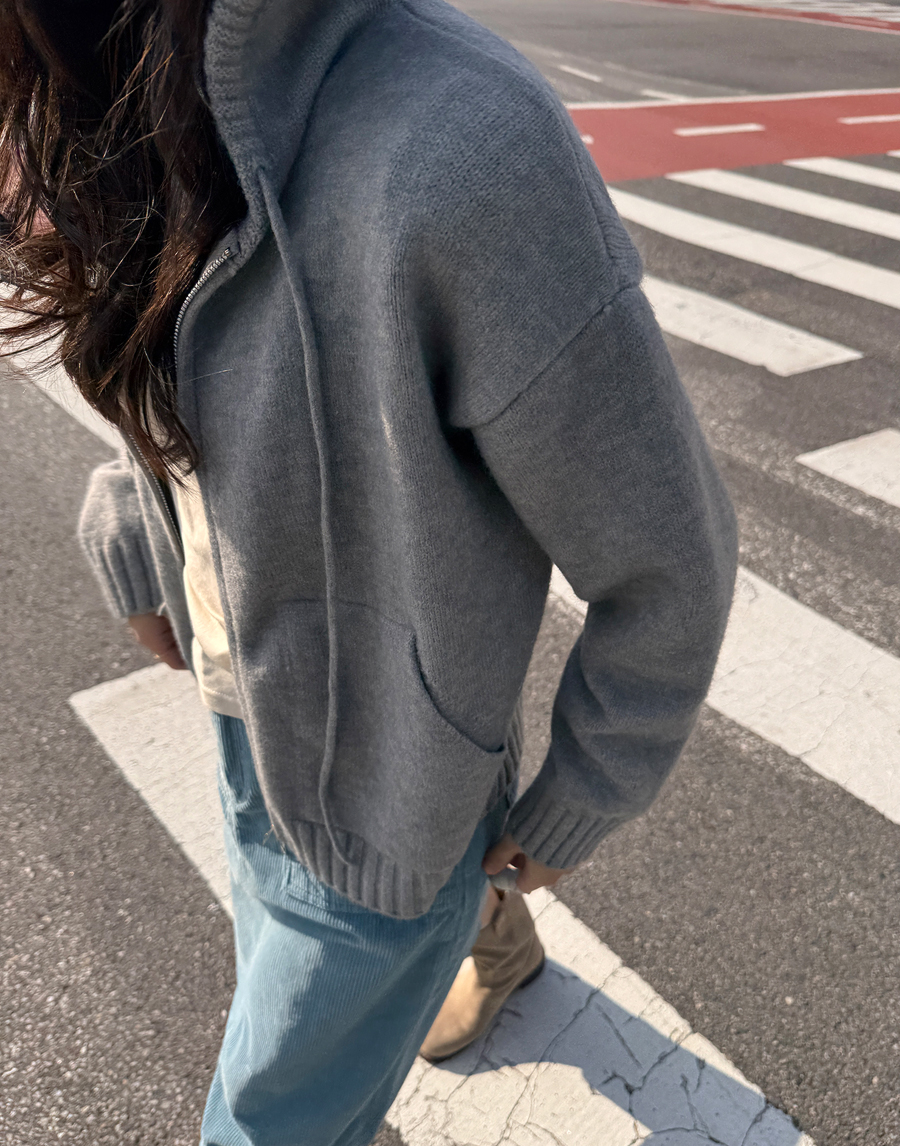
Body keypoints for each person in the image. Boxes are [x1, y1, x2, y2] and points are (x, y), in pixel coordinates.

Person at [0, 0, 738, 1142]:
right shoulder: (106, 74)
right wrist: (136, 527)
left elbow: (668, 550)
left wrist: (587, 786)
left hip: (395, 760)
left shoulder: (464, 140)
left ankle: (463, 900)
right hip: (248, 700)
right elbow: (180, 340)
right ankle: (484, 923)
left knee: (265, 1115)